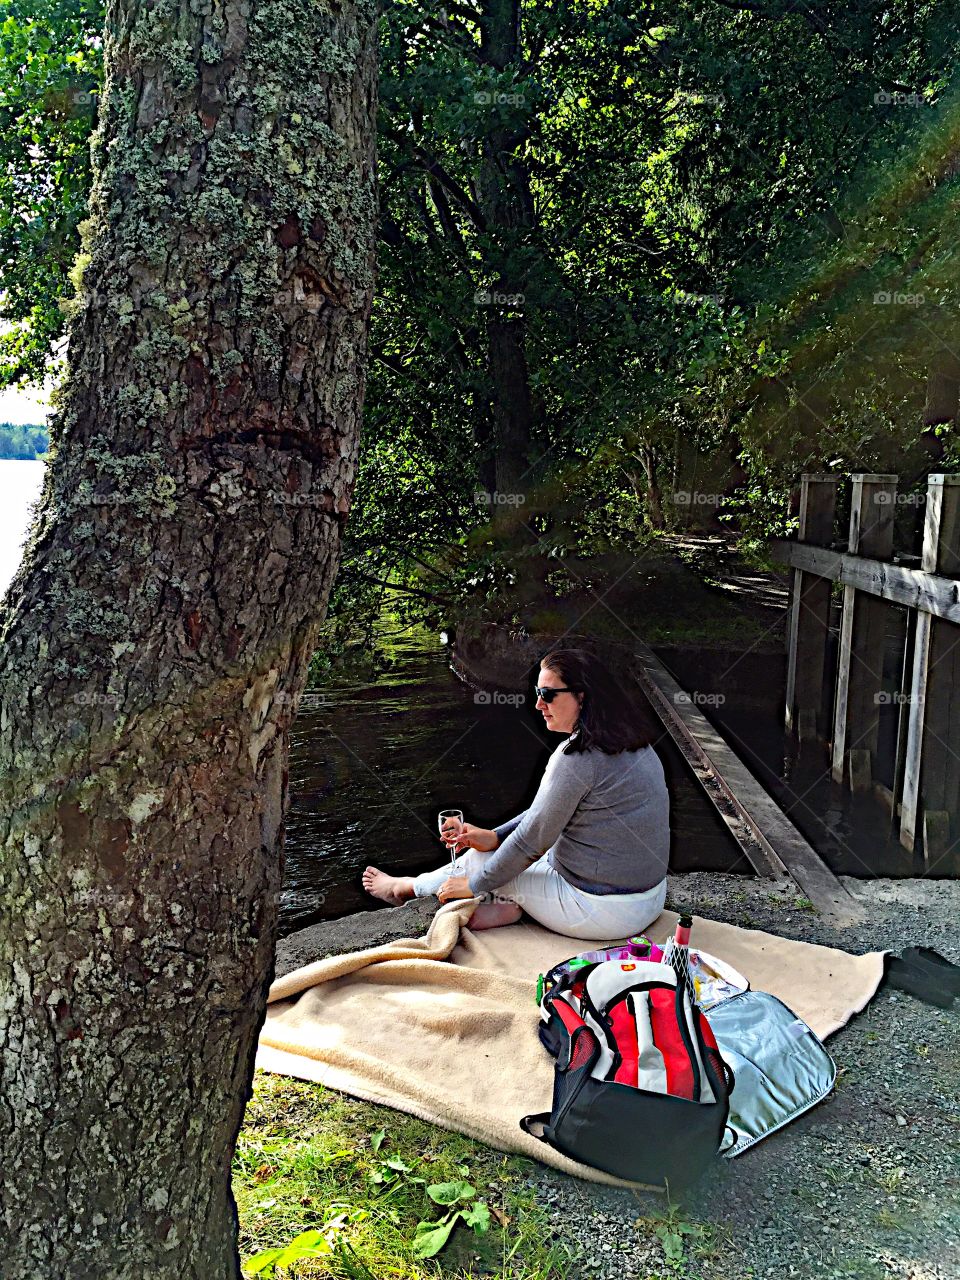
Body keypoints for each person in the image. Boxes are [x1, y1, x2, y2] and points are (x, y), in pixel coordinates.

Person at [362, 647, 670, 939]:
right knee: (501, 852)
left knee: (482, 863)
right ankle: (508, 908)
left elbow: (530, 842)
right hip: (651, 900)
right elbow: (545, 811)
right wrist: (494, 836)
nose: (538, 704)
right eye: (538, 693)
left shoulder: (576, 758)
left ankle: (408, 889)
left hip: (604, 912)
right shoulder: (638, 744)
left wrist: (473, 884)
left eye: (548, 694)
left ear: (582, 696)